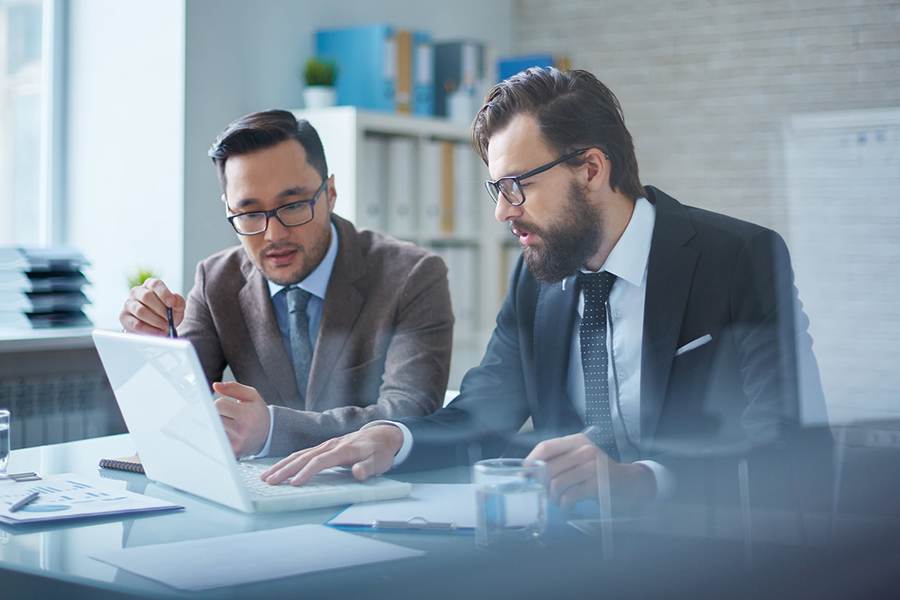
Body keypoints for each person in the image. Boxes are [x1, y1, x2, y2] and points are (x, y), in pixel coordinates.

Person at [260, 68, 829, 507]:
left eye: (517, 187)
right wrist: (393, 439)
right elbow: (483, 411)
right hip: (567, 553)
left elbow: (790, 446)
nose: (504, 214)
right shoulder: (538, 277)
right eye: (496, 190)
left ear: (590, 169)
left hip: (711, 555)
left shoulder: (738, 258)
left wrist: (643, 481)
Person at [119, 110, 453, 459]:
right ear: (229, 209)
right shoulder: (216, 280)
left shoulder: (413, 275)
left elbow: (410, 413)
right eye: (249, 214)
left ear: (331, 193)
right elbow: (175, 415)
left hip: (373, 492)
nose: (274, 235)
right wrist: (152, 346)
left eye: (293, 205)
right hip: (260, 490)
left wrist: (274, 431)